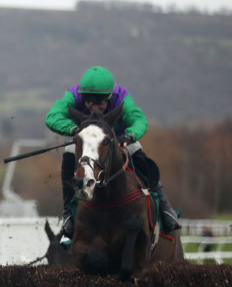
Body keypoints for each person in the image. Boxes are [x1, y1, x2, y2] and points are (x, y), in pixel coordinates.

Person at [45, 66, 179, 241]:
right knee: (70, 150)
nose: (94, 107)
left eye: (99, 103)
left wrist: (130, 136)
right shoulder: (72, 95)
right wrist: (75, 129)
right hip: (89, 144)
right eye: (89, 102)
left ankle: (164, 206)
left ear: (110, 97)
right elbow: (52, 116)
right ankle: (68, 212)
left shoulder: (121, 96)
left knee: (136, 149)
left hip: (117, 141)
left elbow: (139, 120)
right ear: (82, 96)